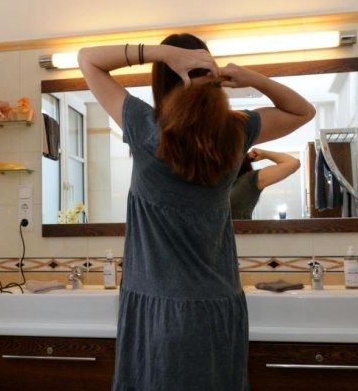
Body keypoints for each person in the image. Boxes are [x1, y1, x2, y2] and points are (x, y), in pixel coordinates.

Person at [77, 33, 315, 390]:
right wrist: (253, 79)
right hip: (220, 308)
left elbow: (88, 59)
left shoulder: (145, 128)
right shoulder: (236, 130)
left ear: (164, 76)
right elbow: (303, 111)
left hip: (158, 309)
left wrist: (162, 53)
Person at [231, 148, 301, 220]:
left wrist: (265, 154)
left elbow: (293, 163)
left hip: (238, 230)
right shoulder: (221, 185)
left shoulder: (248, 180)